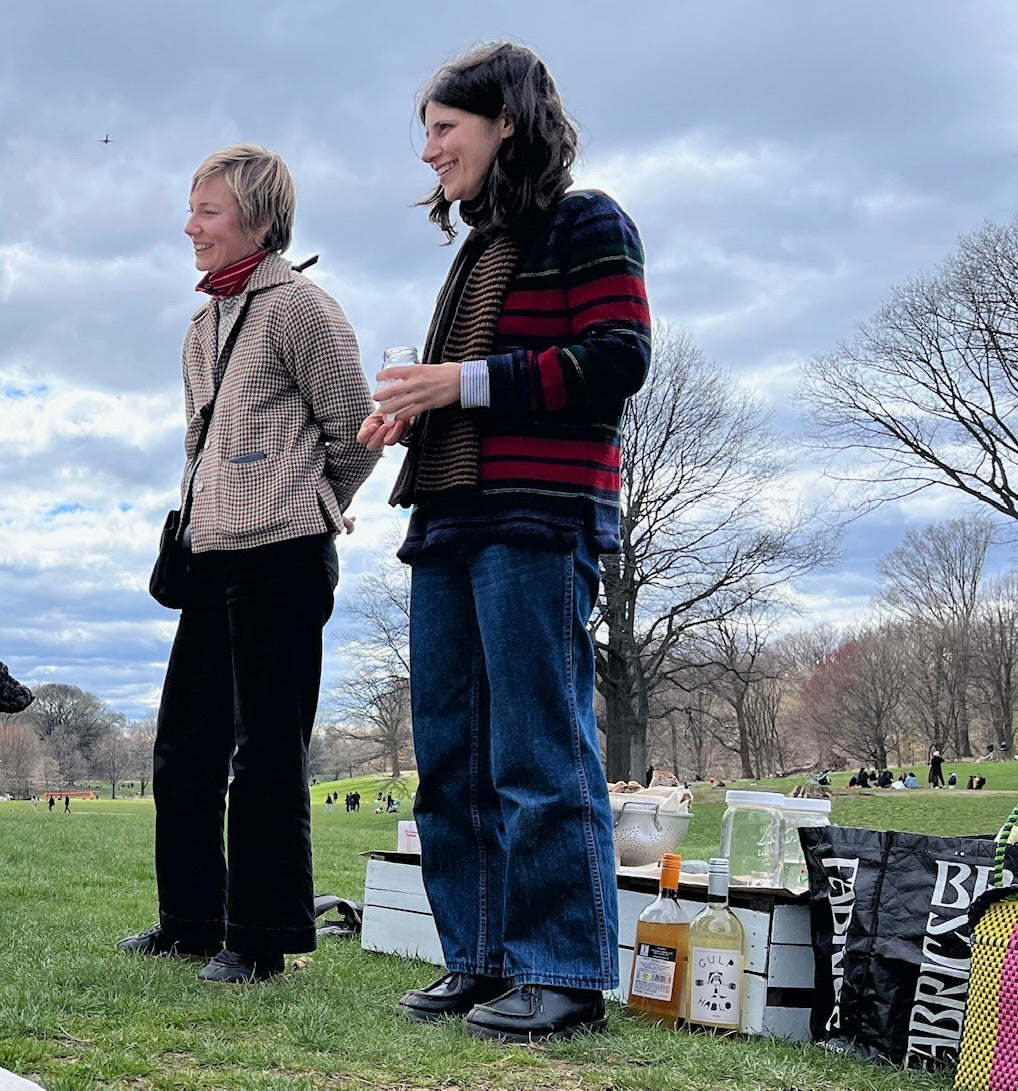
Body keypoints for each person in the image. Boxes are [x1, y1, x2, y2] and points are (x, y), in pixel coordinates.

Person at [358, 42, 650, 1042]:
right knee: (449, 753)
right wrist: (415, 410)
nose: (431, 151)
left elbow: (618, 357)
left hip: (536, 513)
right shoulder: (475, 252)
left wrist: (462, 384)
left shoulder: (588, 220)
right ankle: (479, 958)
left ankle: (562, 970)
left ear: (505, 124)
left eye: (445, 129)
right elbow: (474, 382)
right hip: (449, 512)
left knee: (537, 748)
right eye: (428, 132)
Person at [118, 144, 379, 985]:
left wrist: (304, 503)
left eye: (208, 211)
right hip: (208, 559)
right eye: (191, 209)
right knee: (183, 746)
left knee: (265, 751)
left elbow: (354, 429)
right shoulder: (202, 327)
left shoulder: (302, 308)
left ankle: (260, 938)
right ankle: (189, 921)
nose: (189, 226)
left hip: (284, 557)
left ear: (260, 221)